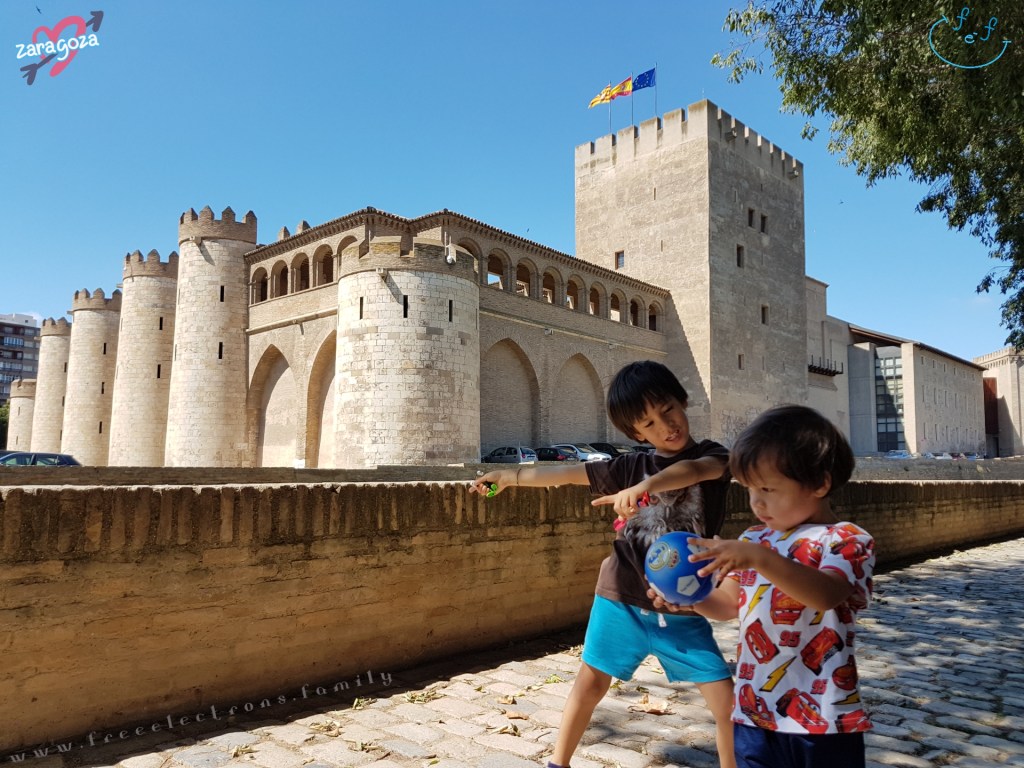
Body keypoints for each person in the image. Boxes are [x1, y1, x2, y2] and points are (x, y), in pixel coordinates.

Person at [471, 361, 736, 768]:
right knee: (589, 683)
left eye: (668, 410)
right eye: (648, 423)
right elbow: (568, 473)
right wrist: (511, 476)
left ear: (682, 401)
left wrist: (647, 486)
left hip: (681, 605)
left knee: (725, 703)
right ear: (635, 434)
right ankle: (558, 762)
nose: (665, 426)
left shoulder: (711, 456)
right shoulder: (628, 465)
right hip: (621, 600)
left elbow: (694, 471)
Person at [677, 404, 874, 768]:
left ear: (820, 484)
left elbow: (826, 595)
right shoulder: (755, 538)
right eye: (750, 489)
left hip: (826, 719)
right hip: (755, 711)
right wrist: (690, 596)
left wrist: (758, 558)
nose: (757, 502)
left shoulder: (845, 540)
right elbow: (727, 605)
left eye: (768, 488)